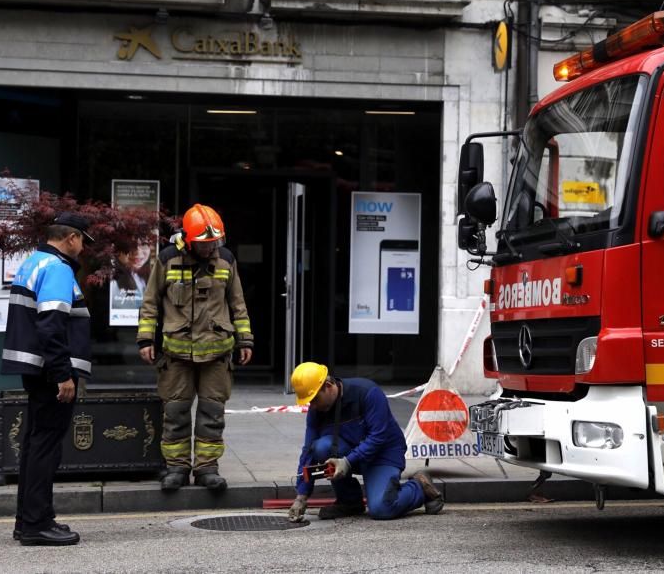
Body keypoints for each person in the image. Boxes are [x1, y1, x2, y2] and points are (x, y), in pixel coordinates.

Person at [136, 203, 253, 491]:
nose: (210, 248)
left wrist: (245, 340)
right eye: (204, 243)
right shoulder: (167, 260)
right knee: (175, 413)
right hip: (176, 355)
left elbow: (237, 304)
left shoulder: (226, 260)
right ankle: (176, 469)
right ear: (187, 239)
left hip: (216, 353)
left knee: (212, 414)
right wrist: (146, 339)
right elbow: (150, 303)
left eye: (215, 242)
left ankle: (206, 469)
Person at [1, 212, 95, 546]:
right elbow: (52, 325)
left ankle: (27, 520)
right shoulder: (57, 269)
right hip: (49, 372)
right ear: (71, 238)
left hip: (34, 369)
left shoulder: (33, 262)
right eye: (83, 240)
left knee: (33, 444)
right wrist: (62, 375)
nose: (83, 248)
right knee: (45, 448)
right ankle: (37, 524)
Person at [287, 362, 444, 522]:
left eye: (314, 399)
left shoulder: (367, 393)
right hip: (351, 454)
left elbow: (378, 437)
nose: (312, 405)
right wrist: (302, 495)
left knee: (382, 509)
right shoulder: (317, 410)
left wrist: (347, 462)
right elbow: (308, 451)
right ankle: (350, 502)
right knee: (321, 448)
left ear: (328, 385)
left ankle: (419, 487)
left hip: (383, 453)